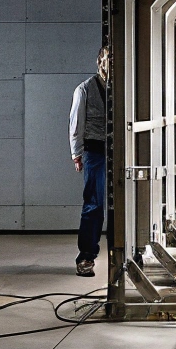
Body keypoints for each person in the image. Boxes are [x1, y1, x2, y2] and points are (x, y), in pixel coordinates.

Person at [69, 46, 109, 277]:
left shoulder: (125, 86)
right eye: (107, 60)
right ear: (99, 62)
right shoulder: (84, 89)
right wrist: (77, 153)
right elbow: (76, 123)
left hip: (121, 149)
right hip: (95, 150)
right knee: (94, 203)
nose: (110, 64)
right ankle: (86, 256)